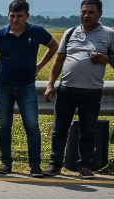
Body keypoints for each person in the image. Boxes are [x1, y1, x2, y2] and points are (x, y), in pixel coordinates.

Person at [43, 0, 114, 179]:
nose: (86, 15)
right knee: (59, 130)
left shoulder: (109, 34)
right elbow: (59, 60)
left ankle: (84, 166)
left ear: (100, 14)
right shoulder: (70, 32)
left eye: (91, 12)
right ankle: (55, 164)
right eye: (83, 11)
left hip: (92, 91)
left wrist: (105, 58)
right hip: (67, 89)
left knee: (87, 131)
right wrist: (51, 85)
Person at [0, 0, 59, 177]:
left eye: (19, 16)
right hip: (3, 85)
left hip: (26, 85)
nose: (15, 20)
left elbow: (54, 46)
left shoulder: (36, 32)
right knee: (4, 125)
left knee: (32, 125)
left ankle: (35, 165)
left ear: (27, 16)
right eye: (12, 16)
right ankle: (6, 163)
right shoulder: (0, 35)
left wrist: (39, 66)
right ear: (8, 15)